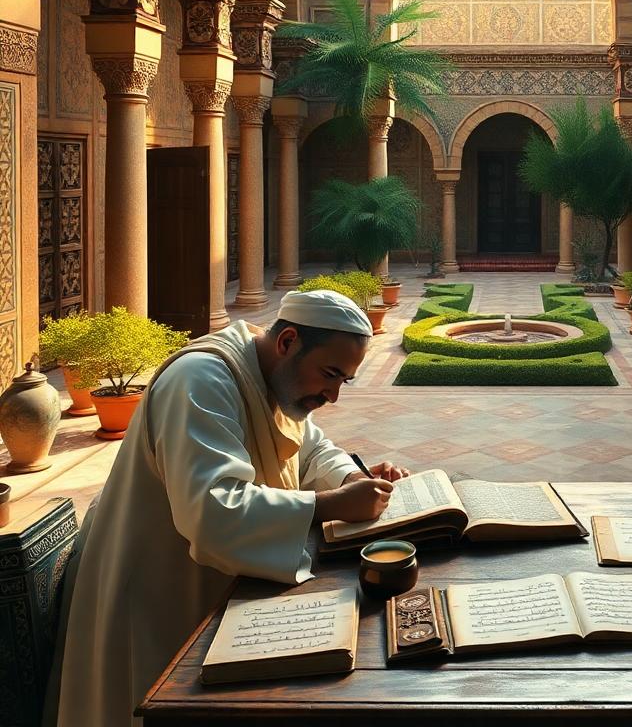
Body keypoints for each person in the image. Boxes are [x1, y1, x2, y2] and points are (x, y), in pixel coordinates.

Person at [44, 289, 410, 727]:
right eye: (330, 375)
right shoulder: (201, 380)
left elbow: (308, 447)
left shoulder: (277, 376)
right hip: (154, 590)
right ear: (288, 341)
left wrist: (349, 478)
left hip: (212, 581)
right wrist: (328, 505)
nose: (332, 395)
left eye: (343, 381)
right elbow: (215, 510)